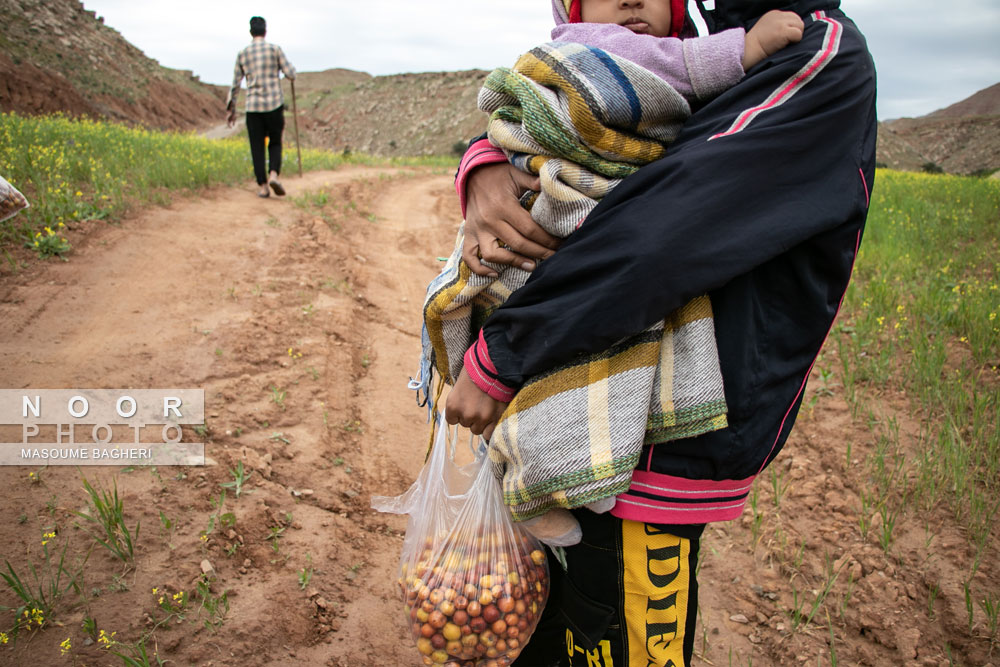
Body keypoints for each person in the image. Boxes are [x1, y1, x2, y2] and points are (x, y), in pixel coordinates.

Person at [445, 0, 878, 664]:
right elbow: (584, 126)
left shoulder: (811, 55)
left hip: (654, 452)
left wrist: (504, 353)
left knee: (615, 637)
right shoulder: (697, 38)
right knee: (547, 631)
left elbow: (656, 229)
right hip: (567, 407)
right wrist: (483, 164)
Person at [423, 1, 804, 535]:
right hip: (560, 236)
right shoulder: (597, 52)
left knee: (585, 357)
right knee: (579, 354)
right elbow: (679, 66)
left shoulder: (792, 69)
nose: (631, 0)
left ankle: (546, 471)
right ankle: (550, 475)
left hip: (599, 274)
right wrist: (747, 47)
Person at [225, 16, 296, 198]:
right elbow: (290, 73)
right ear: (265, 31)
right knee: (275, 142)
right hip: (274, 104)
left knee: (256, 147)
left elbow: (235, 84)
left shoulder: (243, 54)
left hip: (253, 107)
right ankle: (274, 174)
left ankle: (263, 187)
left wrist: (231, 109)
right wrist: (288, 72)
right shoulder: (274, 49)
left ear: (251, 32)